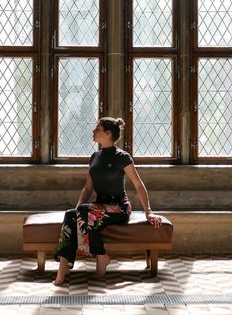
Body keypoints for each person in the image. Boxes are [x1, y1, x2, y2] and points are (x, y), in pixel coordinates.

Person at [53, 117, 161, 285]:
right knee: (70, 214)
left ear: (108, 133)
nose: (93, 131)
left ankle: (102, 256)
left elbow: (139, 186)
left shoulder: (122, 157)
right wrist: (77, 210)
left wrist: (149, 212)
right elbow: (87, 189)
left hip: (118, 208)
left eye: (97, 129)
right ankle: (63, 266)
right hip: (98, 207)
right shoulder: (94, 157)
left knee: (82, 212)